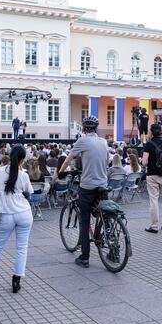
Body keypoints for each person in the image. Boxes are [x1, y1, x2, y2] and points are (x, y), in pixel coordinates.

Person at [54, 115, 108, 268]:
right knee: (105, 213)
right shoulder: (104, 141)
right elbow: (107, 160)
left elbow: (68, 159)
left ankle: (84, 257)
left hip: (88, 186)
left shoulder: (82, 141)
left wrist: (60, 173)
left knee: (84, 220)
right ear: (96, 128)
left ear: (84, 128)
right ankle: (113, 249)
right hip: (103, 184)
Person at [0, 145, 34, 293]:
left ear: (9, 156)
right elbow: (30, 192)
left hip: (6, 215)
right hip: (24, 213)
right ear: (22, 159)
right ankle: (16, 281)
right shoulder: (24, 175)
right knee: (22, 248)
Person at [142, 123, 162, 233]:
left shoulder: (149, 145)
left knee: (154, 200)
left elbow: (144, 162)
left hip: (152, 175)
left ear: (151, 131)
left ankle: (154, 226)